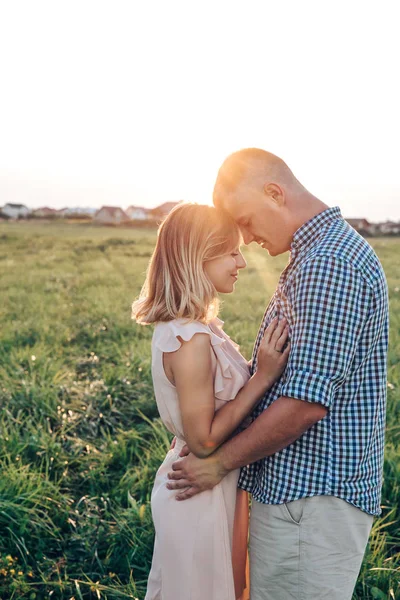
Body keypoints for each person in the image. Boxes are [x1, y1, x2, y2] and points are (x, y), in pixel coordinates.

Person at [166, 148, 389, 600]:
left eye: (246, 221)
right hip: (301, 498)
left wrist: (220, 464)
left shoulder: (330, 264)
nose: (245, 239)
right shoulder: (317, 257)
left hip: (309, 500)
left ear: (274, 193)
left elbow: (304, 403)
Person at [132, 202, 290, 600]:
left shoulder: (200, 328)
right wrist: (263, 377)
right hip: (196, 493)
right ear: (198, 256)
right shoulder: (190, 338)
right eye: (232, 251)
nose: (241, 261)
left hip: (213, 488)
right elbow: (202, 441)